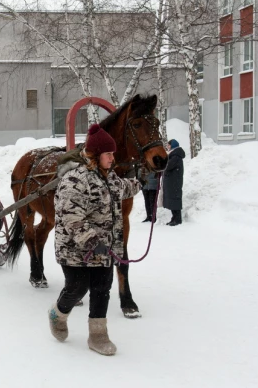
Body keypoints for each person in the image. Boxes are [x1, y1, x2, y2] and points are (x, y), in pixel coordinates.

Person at [49, 124, 141, 356]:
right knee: (77, 288)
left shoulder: (109, 178)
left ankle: (98, 335)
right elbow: (71, 216)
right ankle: (58, 314)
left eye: (113, 153)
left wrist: (142, 181)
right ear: (95, 155)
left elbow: (124, 188)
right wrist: (91, 240)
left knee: (102, 288)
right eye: (109, 153)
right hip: (74, 248)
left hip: (103, 248)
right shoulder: (75, 180)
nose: (113, 157)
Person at [163, 139, 185, 226]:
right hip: (172, 181)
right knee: (172, 200)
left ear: (173, 145)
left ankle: (178, 219)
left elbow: (168, 166)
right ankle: (174, 218)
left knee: (175, 200)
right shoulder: (173, 155)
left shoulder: (175, 156)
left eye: (169, 145)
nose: (167, 147)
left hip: (174, 182)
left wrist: (163, 162)